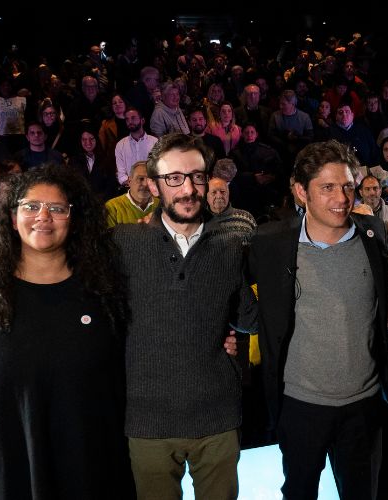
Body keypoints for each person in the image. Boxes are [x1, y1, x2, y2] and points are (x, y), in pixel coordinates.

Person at [0, 164, 132, 499]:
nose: (44, 216)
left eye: (57, 208)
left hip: (89, 475)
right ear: (12, 217)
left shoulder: (105, 293)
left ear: (74, 219)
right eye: (31, 206)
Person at [112, 133, 257, 499]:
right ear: (155, 186)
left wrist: (234, 338)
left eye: (196, 176)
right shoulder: (123, 244)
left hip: (217, 418)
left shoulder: (230, 246)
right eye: (174, 178)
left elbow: (250, 318)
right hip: (149, 420)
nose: (188, 189)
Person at [248, 140, 388, 499]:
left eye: (347, 186)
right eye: (327, 188)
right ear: (301, 192)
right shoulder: (269, 244)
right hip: (301, 406)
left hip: (364, 404)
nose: (341, 198)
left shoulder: (372, 235)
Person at [105, 160, 158, 227]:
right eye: (141, 179)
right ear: (129, 181)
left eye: (151, 180)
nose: (145, 184)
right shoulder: (112, 207)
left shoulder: (161, 206)